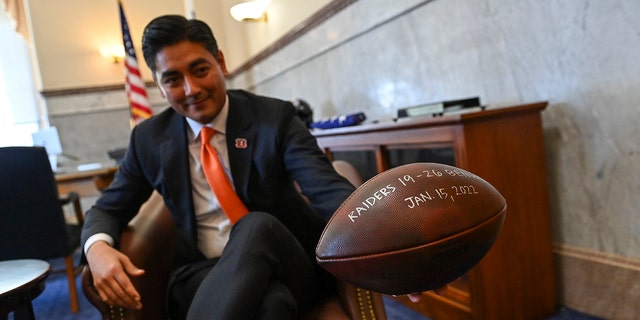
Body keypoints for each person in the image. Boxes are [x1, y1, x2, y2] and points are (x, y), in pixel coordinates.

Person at [81, 14, 357, 319]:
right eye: (173, 79)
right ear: (159, 87)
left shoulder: (273, 118)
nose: (191, 89)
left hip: (287, 263)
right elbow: (107, 208)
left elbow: (325, 187)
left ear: (220, 62)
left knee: (255, 225)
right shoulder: (149, 139)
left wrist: (385, 245)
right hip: (203, 273)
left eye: (200, 70)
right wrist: (96, 248)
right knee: (273, 303)